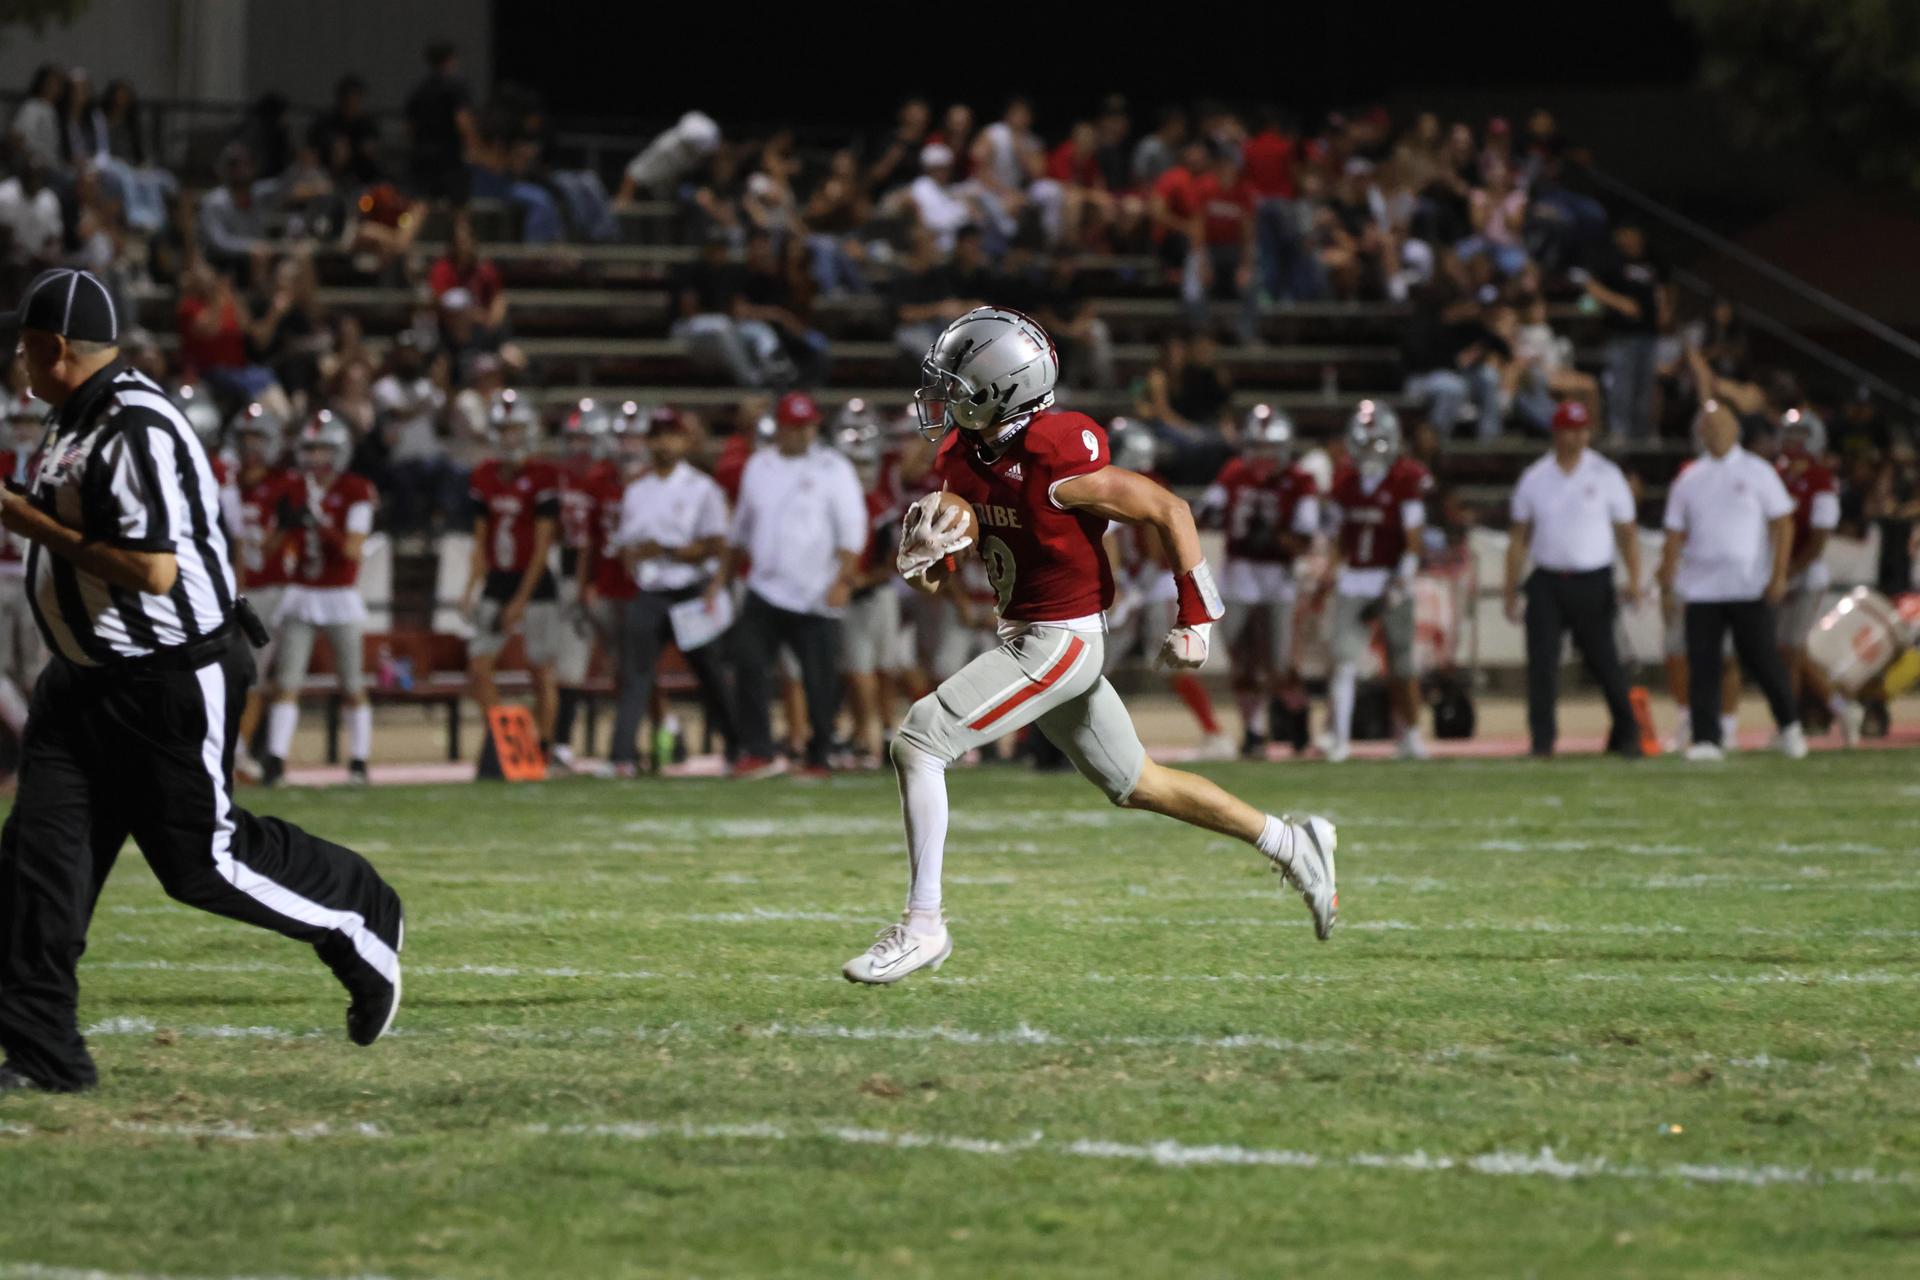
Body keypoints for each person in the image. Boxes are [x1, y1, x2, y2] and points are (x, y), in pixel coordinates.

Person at [840, 307, 1336, 985]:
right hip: (1025, 630)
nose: (945, 396)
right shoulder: (962, 451)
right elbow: (963, 553)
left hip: (1063, 638)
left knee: (920, 739)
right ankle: (1292, 842)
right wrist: (930, 559)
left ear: (1002, 388)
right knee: (1138, 783)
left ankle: (923, 925)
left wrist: (1196, 618)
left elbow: (1169, 510)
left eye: (959, 383)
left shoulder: (1055, 450)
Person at [0, 268, 403, 1094]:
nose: (17, 360)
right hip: (82, 681)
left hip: (166, 679)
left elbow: (152, 570)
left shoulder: (134, 424)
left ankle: (359, 912)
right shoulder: (74, 413)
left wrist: (25, 520)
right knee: (39, 864)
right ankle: (44, 1055)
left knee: (202, 864)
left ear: (54, 347)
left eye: (25, 346)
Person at [709, 391, 865, 779]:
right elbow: (740, 530)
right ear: (779, 428)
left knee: (818, 678)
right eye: (795, 427)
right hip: (764, 588)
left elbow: (853, 529)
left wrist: (843, 580)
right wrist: (720, 580)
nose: (804, 433)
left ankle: (820, 754)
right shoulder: (759, 465)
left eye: (808, 426)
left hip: (815, 591)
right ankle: (759, 750)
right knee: (748, 663)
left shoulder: (834, 467)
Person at [1659, 399, 1805, 761]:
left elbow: (1783, 523)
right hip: (1701, 587)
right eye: (1708, 426)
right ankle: (1706, 739)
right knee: (1702, 664)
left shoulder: (1758, 472)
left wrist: (1778, 574)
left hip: (1747, 585)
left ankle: (1790, 727)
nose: (1715, 432)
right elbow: (1674, 533)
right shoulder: (1689, 477)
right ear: (1699, 433)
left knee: (1764, 660)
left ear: (1736, 429)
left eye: (1721, 424)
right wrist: (1667, 581)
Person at [1502, 400, 1643, 758]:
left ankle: (1628, 734)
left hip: (1593, 580)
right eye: (1570, 430)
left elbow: (1627, 532)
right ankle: (1542, 740)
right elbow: (1519, 537)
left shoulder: (1606, 473)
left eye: (1582, 430)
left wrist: (1634, 578)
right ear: (1557, 433)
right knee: (1542, 664)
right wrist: (1510, 588)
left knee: (1606, 661)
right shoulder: (1536, 477)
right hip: (1547, 581)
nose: (1577, 437)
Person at [611, 407, 739, 776]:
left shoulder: (701, 488)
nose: (663, 443)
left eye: (671, 435)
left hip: (689, 591)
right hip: (650, 591)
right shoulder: (636, 490)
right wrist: (634, 556)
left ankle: (738, 747)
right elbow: (625, 544)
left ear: (683, 441)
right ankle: (622, 756)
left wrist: (666, 551)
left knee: (710, 674)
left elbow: (716, 545)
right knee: (635, 674)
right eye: (657, 435)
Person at [260, 414, 377, 786]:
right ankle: (275, 761)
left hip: (340, 594)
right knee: (287, 681)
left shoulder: (356, 489)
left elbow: (353, 550)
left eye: (322, 449)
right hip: (301, 593)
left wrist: (320, 526)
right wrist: (285, 525)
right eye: (310, 449)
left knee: (352, 684)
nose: (314, 457)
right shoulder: (293, 488)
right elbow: (268, 551)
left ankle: (359, 761)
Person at [1199, 405, 1319, 758]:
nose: (1264, 456)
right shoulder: (1234, 472)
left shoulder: (1300, 481)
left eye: (1270, 448)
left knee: (1278, 665)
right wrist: (1211, 513)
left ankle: (1298, 717)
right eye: (1258, 447)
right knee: (1242, 662)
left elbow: (1305, 540)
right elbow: (1204, 511)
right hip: (1238, 574)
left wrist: (1277, 538)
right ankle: (1253, 732)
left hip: (1277, 579)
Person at [1320, 401, 1433, 762]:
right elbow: (1337, 537)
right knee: (1344, 661)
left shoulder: (1405, 478)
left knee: (1402, 666)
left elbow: (1413, 539)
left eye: (1376, 441)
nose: (1370, 449)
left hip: (1391, 578)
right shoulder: (1345, 481)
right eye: (1364, 441)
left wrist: (1401, 582)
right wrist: (1332, 573)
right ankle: (1339, 739)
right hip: (1355, 579)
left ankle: (1411, 735)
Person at [462, 394, 562, 760]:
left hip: (535, 584)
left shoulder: (543, 475)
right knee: (479, 666)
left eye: (516, 429)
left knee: (541, 670)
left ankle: (545, 747)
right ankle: (508, 743)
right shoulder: (484, 474)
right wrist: (470, 587)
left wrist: (520, 600)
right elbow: (480, 540)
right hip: (498, 580)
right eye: (504, 430)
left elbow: (542, 548)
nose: (510, 437)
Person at [1772, 410, 1860, 745]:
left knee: (1789, 649)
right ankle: (1842, 708)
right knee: (1788, 650)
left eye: (1800, 435)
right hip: (1780, 572)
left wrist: (1789, 572)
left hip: (1806, 575)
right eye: (1789, 434)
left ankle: (1789, 725)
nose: (1793, 442)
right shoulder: (1777, 474)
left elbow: (1819, 539)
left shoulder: (1821, 479)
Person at [834, 408, 904, 769]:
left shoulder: (880, 505)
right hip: (845, 596)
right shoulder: (832, 502)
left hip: (876, 594)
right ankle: (864, 736)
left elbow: (893, 561)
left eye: (864, 462)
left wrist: (864, 578)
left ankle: (887, 730)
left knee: (884, 669)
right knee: (857, 671)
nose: (860, 470)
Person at [229, 405, 294, 784]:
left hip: (268, 590)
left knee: (253, 674)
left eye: (258, 438)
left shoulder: (285, 485)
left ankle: (243, 755)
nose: (251, 446)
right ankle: (239, 754)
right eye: (245, 438)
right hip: (228, 590)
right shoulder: (227, 481)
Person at [551, 401, 617, 770]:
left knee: (630, 664)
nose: (578, 447)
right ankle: (561, 742)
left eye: (585, 439)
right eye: (573, 439)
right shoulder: (559, 477)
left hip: (611, 579)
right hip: (571, 575)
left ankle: (666, 729)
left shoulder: (614, 478)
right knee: (569, 663)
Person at [0, 395, 48, 746]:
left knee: (35, 669)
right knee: (2, 669)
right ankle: (31, 741)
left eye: (30, 423)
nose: (24, 430)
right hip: (1, 572)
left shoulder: (50, 465)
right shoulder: (2, 462)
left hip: (36, 573)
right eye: (18, 423)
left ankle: (41, 743)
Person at [403, 41, 475, 203]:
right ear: (450, 59)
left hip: (423, 154)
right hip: (450, 156)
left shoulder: (419, 89)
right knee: (459, 206)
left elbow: (409, 125)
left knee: (422, 204)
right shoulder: (456, 86)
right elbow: (462, 119)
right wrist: (472, 146)